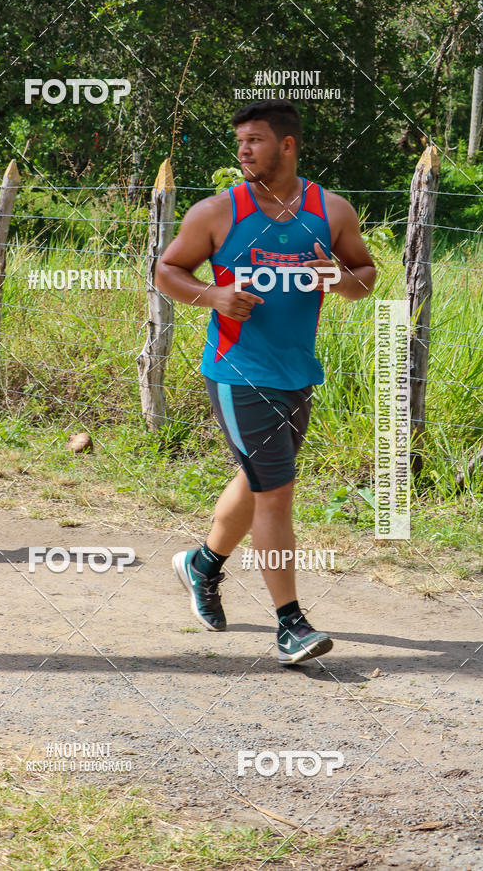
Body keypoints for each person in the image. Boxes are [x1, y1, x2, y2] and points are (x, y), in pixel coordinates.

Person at [155, 99, 376, 664]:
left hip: (296, 372)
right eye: (240, 142)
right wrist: (213, 296)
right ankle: (291, 625)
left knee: (256, 481)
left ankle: (200, 564)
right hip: (236, 371)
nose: (244, 150)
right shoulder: (216, 212)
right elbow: (166, 270)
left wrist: (338, 279)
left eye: (254, 140)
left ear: (287, 145)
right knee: (275, 493)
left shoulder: (331, 211)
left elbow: (365, 274)